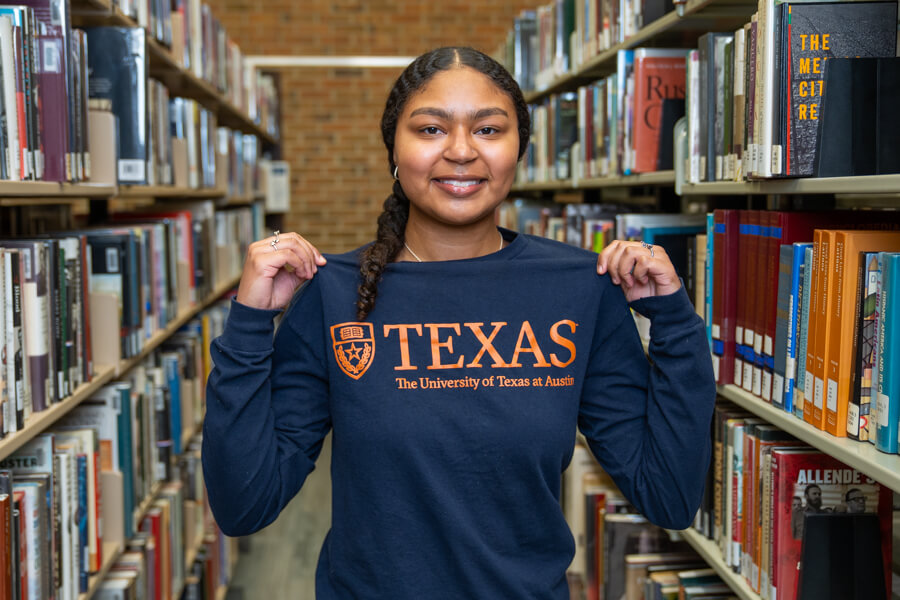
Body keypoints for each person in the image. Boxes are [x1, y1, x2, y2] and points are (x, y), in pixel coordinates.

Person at [202, 46, 716, 599]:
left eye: (489, 129)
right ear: (394, 151)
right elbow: (244, 504)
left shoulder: (577, 289)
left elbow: (667, 494)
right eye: (430, 129)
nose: (461, 151)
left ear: (519, 149)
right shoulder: (335, 293)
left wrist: (675, 322)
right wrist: (251, 321)